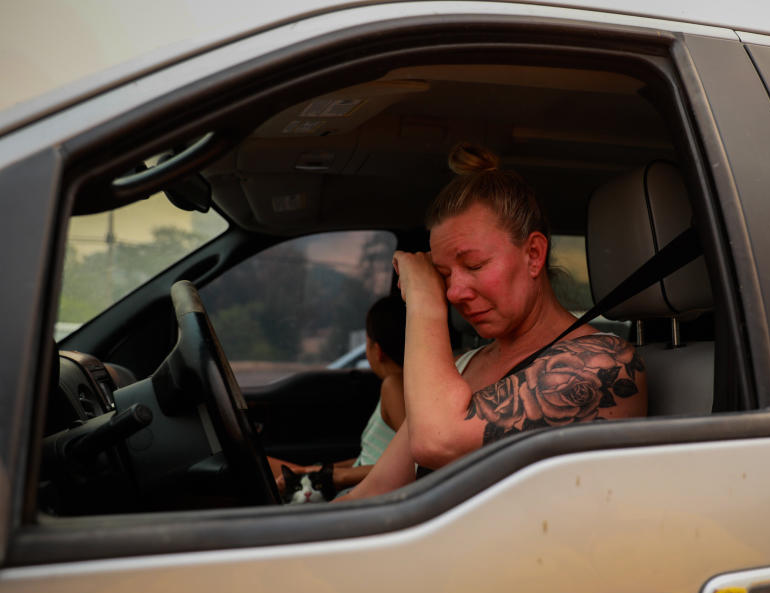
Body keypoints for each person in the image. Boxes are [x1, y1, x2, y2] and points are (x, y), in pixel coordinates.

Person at [338, 143, 647, 501]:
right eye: (442, 275)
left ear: (533, 255)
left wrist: (424, 298)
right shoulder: (464, 365)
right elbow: (377, 490)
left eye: (474, 266)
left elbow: (437, 441)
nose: (453, 292)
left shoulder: (603, 364)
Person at [269, 295, 406, 497]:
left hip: (359, 496)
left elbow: (414, 462)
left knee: (246, 467)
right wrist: (315, 470)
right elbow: (369, 460)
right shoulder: (397, 386)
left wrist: (339, 477)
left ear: (376, 350)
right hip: (358, 487)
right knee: (256, 465)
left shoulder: (393, 386)